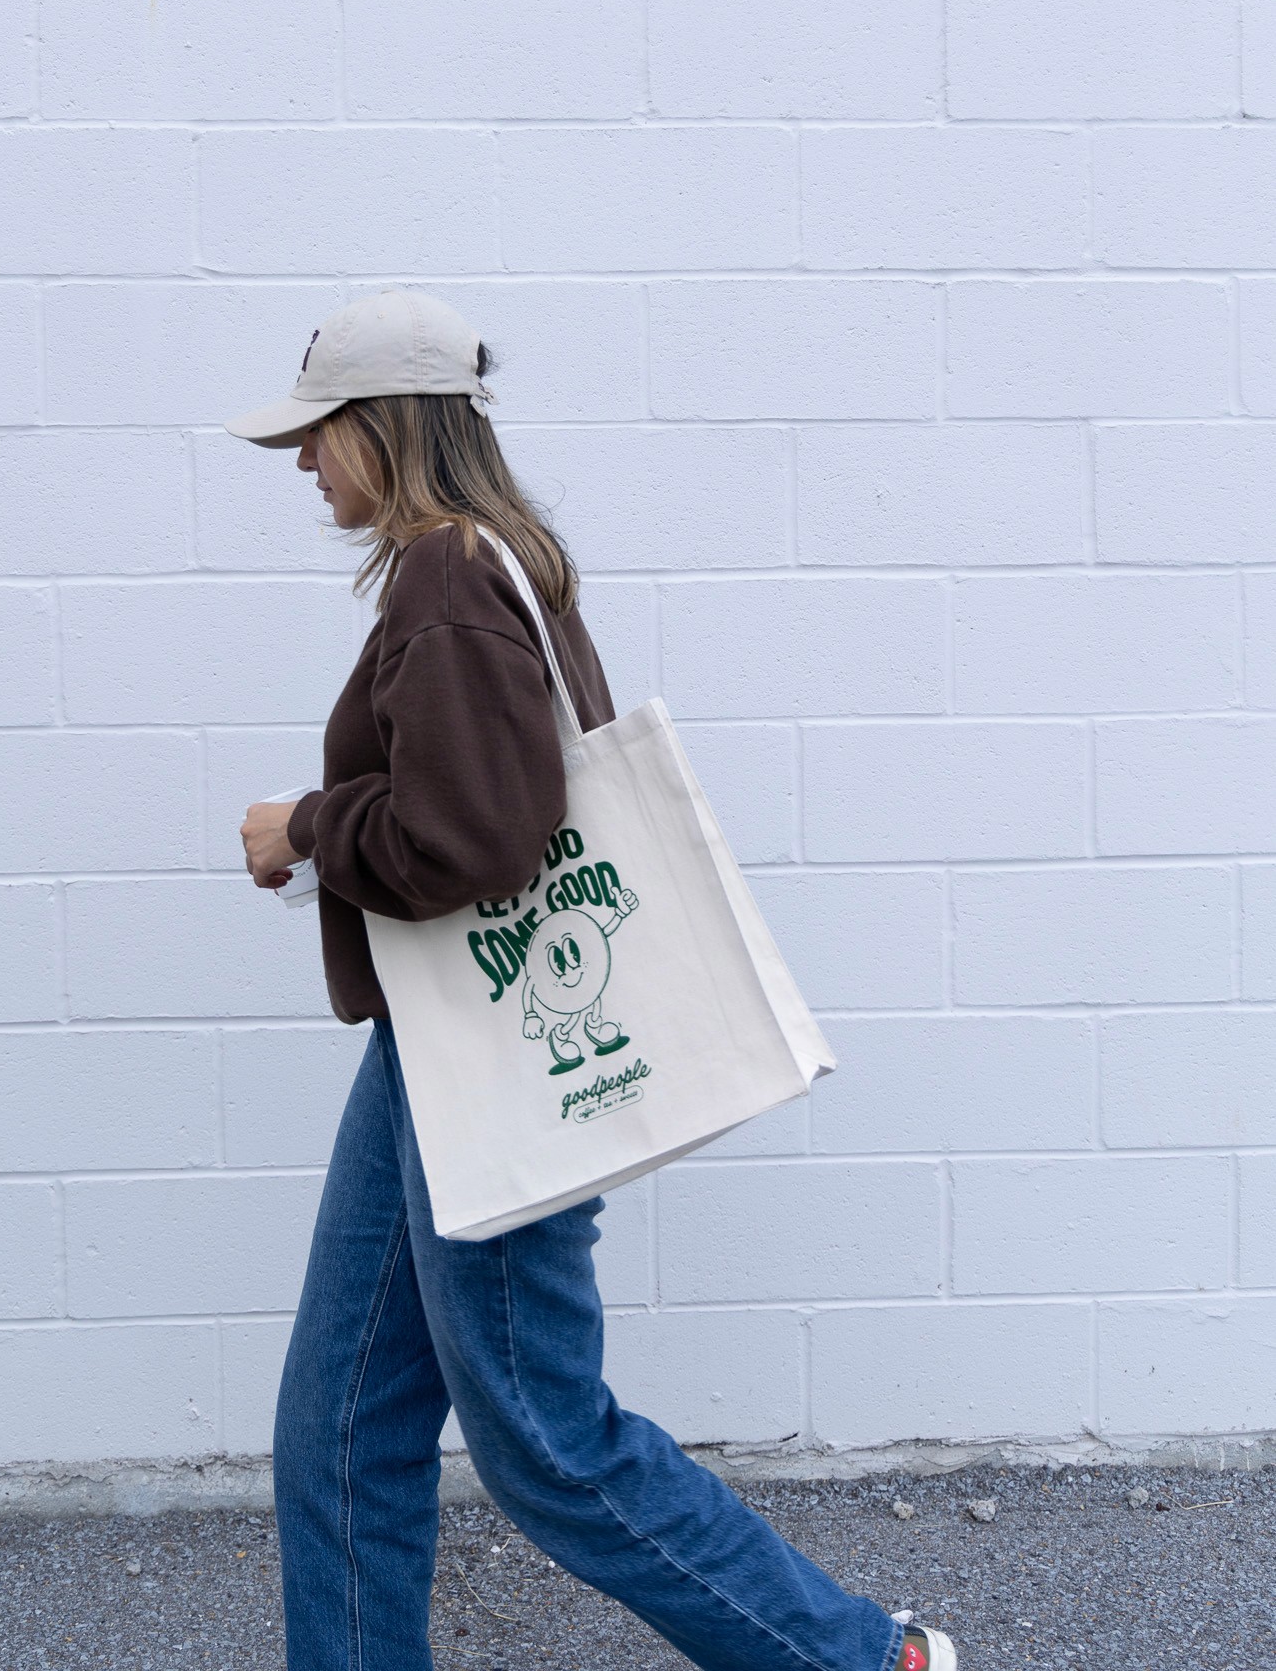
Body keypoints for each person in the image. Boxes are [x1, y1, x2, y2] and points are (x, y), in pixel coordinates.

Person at [228, 288, 956, 1671]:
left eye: (318, 431)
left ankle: (866, 1660)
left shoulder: (450, 578)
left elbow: (473, 841)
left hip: (492, 1055)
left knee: (548, 1441)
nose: (304, 461)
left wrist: (307, 828)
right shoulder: (497, 560)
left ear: (387, 426)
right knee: (338, 1431)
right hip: (434, 1047)